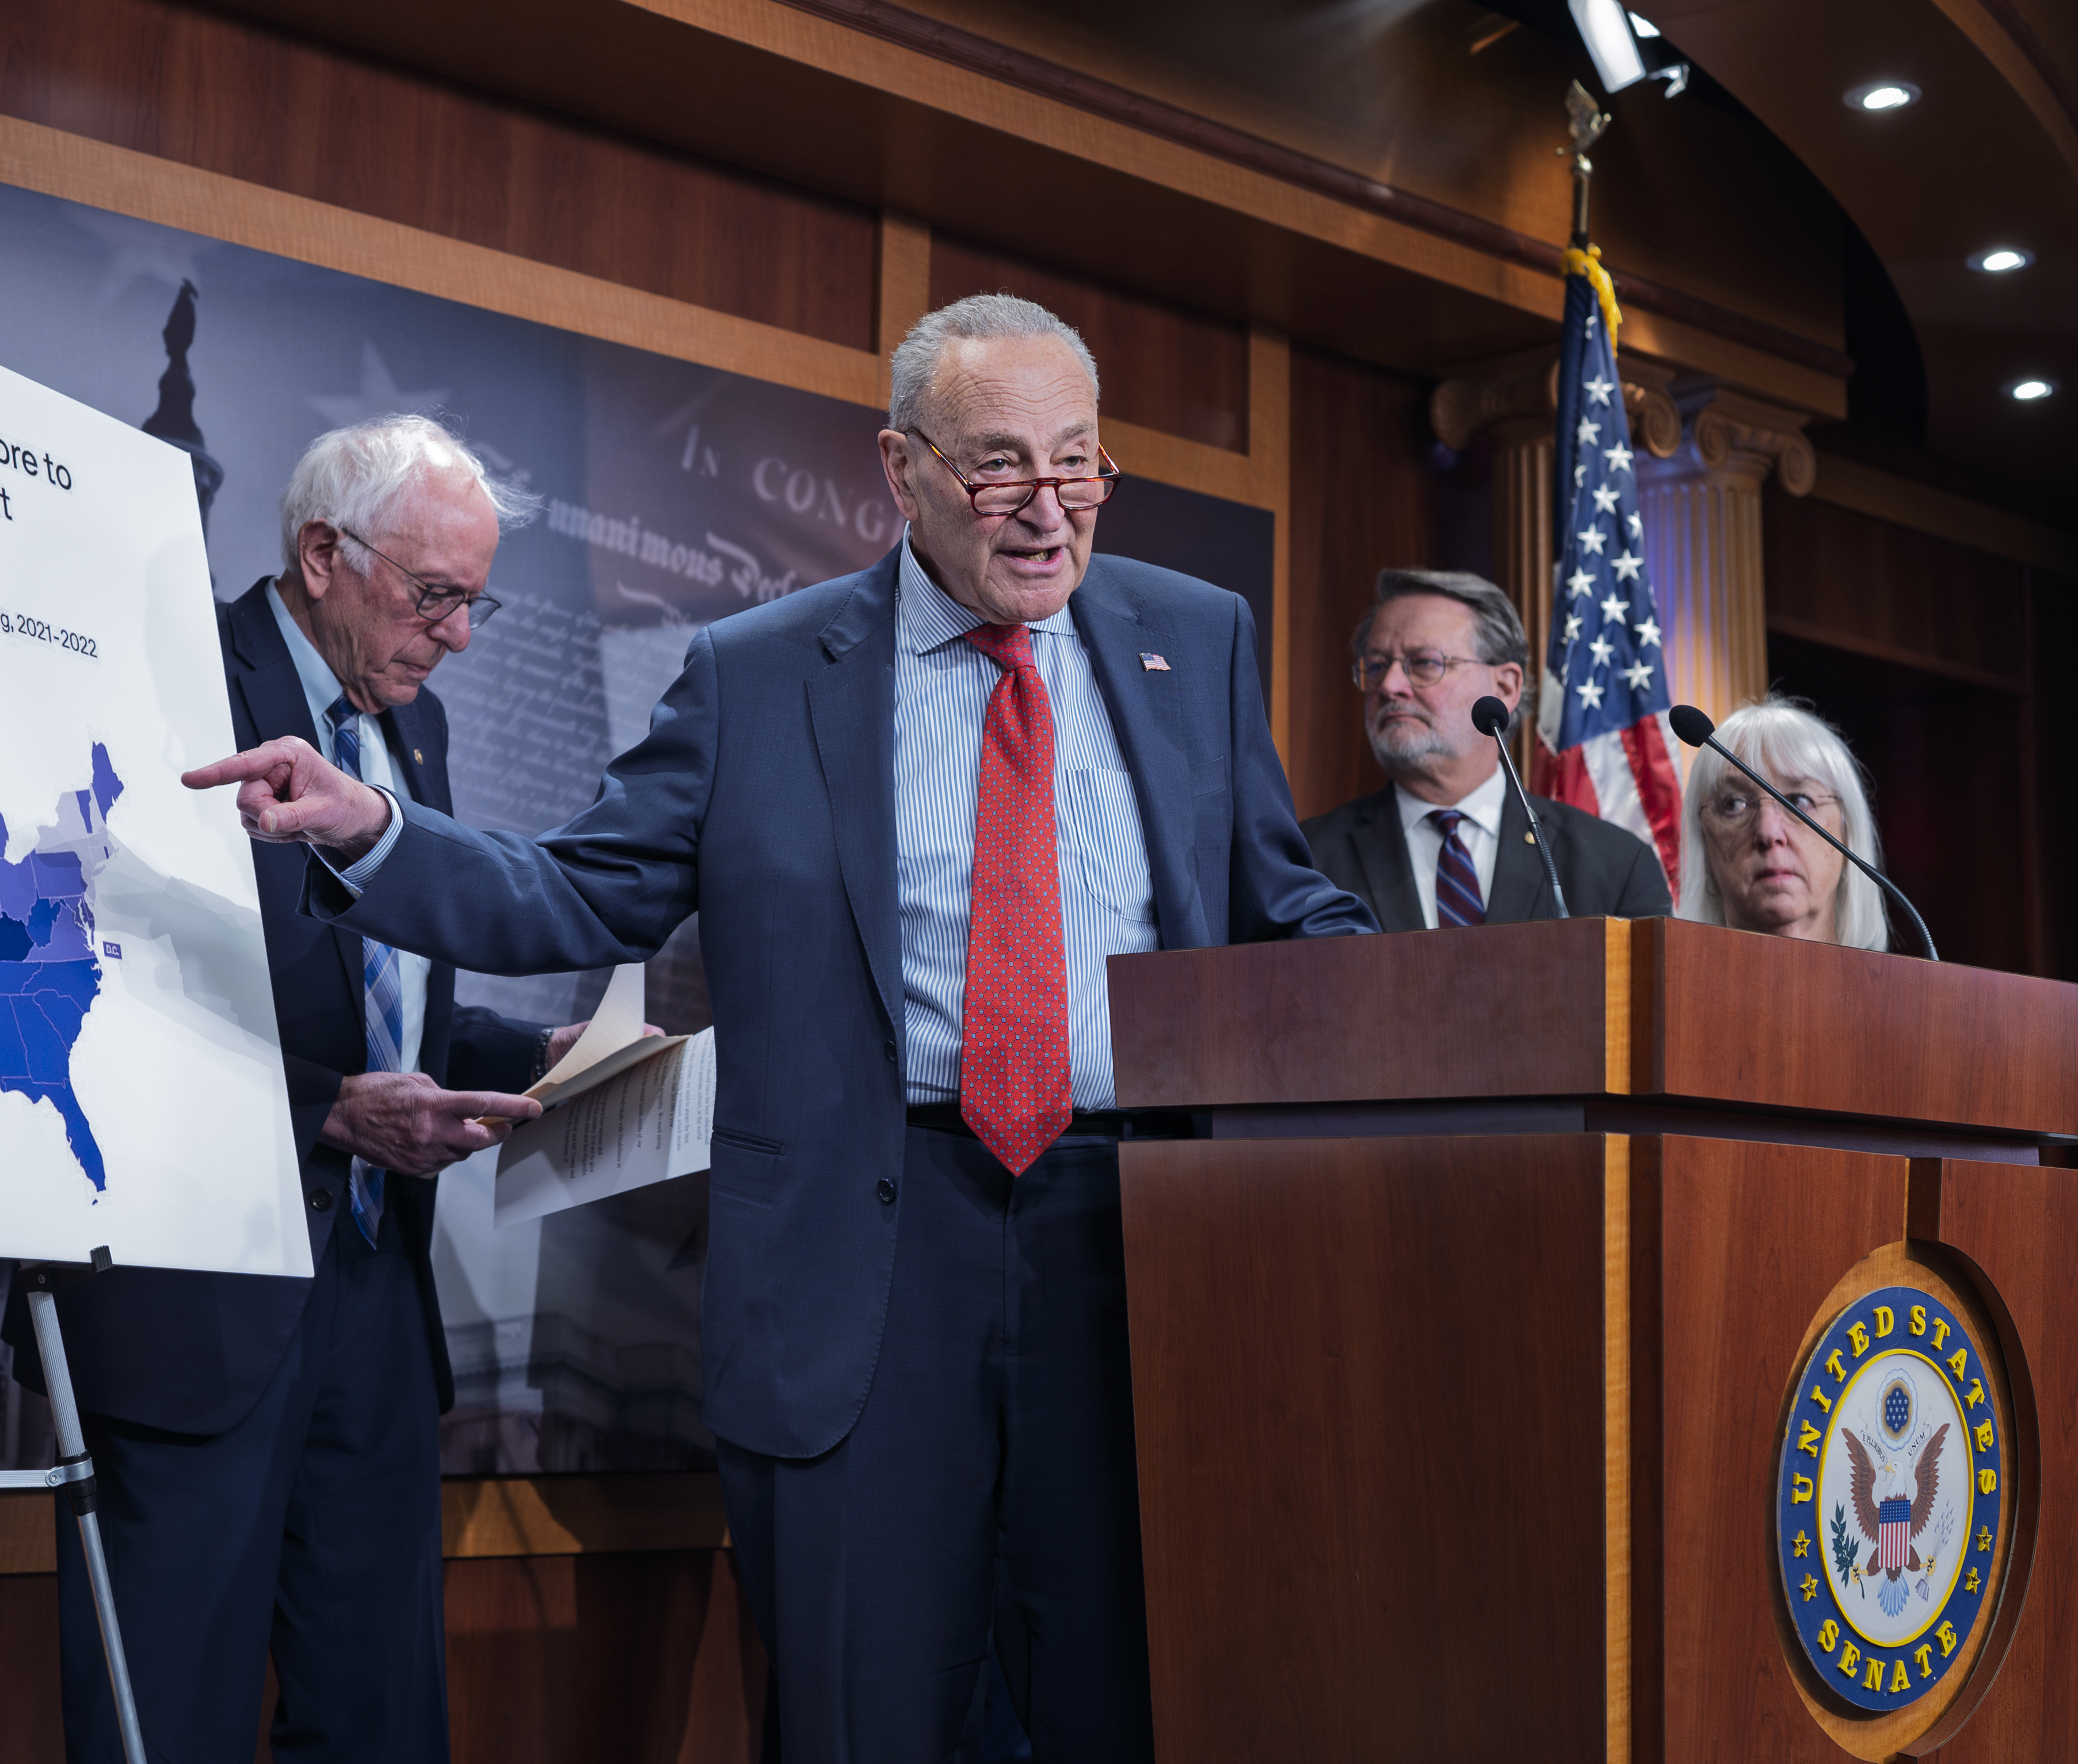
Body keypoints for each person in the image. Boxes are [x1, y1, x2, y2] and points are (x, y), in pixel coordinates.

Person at [185, 295, 1375, 1761]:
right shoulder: (760, 670)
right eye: (998, 465)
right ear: (901, 468)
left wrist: (1444, 1010)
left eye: (1077, 463)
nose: (1048, 507)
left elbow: (1284, 908)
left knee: (1119, 1700)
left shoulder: (1190, 639)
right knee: (860, 1712)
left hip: (1126, 1245)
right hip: (867, 1266)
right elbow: (580, 887)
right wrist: (376, 830)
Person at [17, 416, 605, 1762]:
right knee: (165, 1718)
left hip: (372, 1299)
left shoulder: (418, 726)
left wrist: (526, 1060)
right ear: (323, 555)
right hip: (188, 1301)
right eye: (435, 594)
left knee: (381, 1718)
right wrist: (323, 1109)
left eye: (476, 598)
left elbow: (381, 995)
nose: (458, 635)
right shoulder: (159, 677)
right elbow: (70, 979)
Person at [1299, 568, 1672, 927]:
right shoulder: (1307, 863)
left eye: (1424, 663)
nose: (1390, 685)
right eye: (1377, 666)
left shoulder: (1614, 863)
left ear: (1505, 687)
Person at [1676, 695, 1890, 948]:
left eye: (1799, 801)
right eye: (1734, 805)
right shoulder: (1665, 987)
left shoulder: (1905, 989)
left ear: (1848, 832)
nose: (1769, 832)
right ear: (1704, 845)